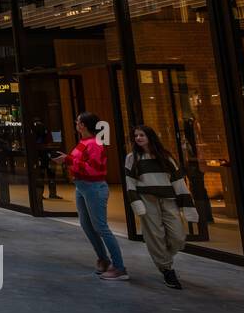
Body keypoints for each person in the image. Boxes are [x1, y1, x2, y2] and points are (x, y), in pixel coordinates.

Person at [52, 112, 128, 281]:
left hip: (93, 187)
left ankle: (119, 266)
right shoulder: (83, 143)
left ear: (83, 125)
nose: (76, 124)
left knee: (101, 227)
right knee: (86, 225)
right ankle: (103, 259)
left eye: (78, 122)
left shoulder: (94, 144)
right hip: (81, 186)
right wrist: (66, 160)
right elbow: (77, 162)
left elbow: (94, 168)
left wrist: (68, 161)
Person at [125, 126, 199, 289]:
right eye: (136, 136)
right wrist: (136, 203)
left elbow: (178, 181)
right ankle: (166, 269)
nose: (138, 138)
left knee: (178, 237)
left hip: (168, 199)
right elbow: (130, 184)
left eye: (142, 135)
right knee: (155, 235)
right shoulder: (132, 158)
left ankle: (163, 257)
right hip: (147, 199)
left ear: (150, 136)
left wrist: (187, 204)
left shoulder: (166, 157)